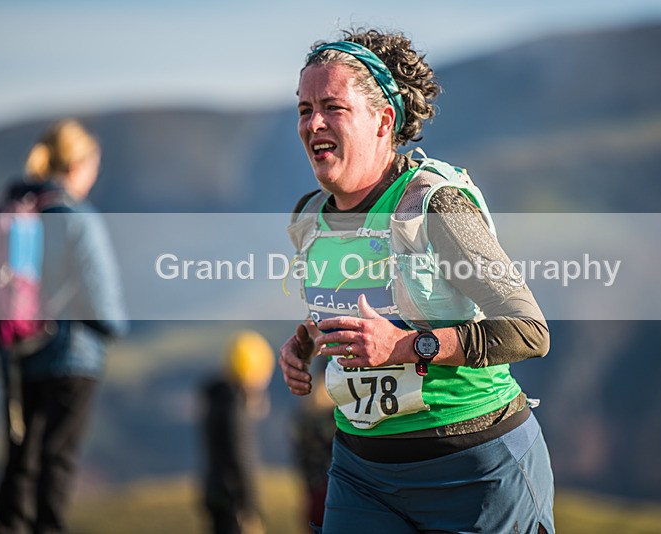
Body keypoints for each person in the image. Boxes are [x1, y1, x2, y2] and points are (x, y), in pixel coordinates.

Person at [279, 29, 555, 533]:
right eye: (303, 108)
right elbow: (353, 311)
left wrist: (409, 345)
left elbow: (528, 330)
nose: (312, 123)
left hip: (475, 469)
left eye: (332, 107)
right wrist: (304, 341)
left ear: (383, 121)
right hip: (360, 472)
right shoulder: (309, 217)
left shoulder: (434, 204)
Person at [0, 119, 127, 533]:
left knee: (23, 454)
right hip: (73, 356)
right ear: (79, 164)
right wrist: (115, 328)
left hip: (21, 352)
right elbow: (102, 299)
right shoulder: (77, 217)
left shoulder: (19, 211)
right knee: (58, 460)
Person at [199, 331, 274, 534]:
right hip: (234, 501)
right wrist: (251, 508)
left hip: (214, 492)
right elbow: (243, 458)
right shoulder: (235, 410)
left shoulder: (216, 398)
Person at [291, 358, 336, 531]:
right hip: (337, 495)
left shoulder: (304, 414)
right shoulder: (337, 416)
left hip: (311, 496)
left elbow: (300, 459)